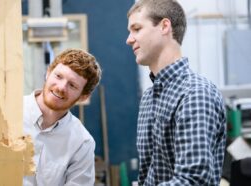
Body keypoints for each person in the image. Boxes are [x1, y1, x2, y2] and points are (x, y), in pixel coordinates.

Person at [126, 0, 226, 185]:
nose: (129, 39)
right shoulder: (149, 98)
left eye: (137, 29)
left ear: (164, 26)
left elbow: (194, 181)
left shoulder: (195, 95)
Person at [23, 48, 102, 186]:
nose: (61, 87)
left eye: (72, 85)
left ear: (83, 97)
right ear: (48, 73)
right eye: (58, 76)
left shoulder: (82, 143)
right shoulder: (8, 113)